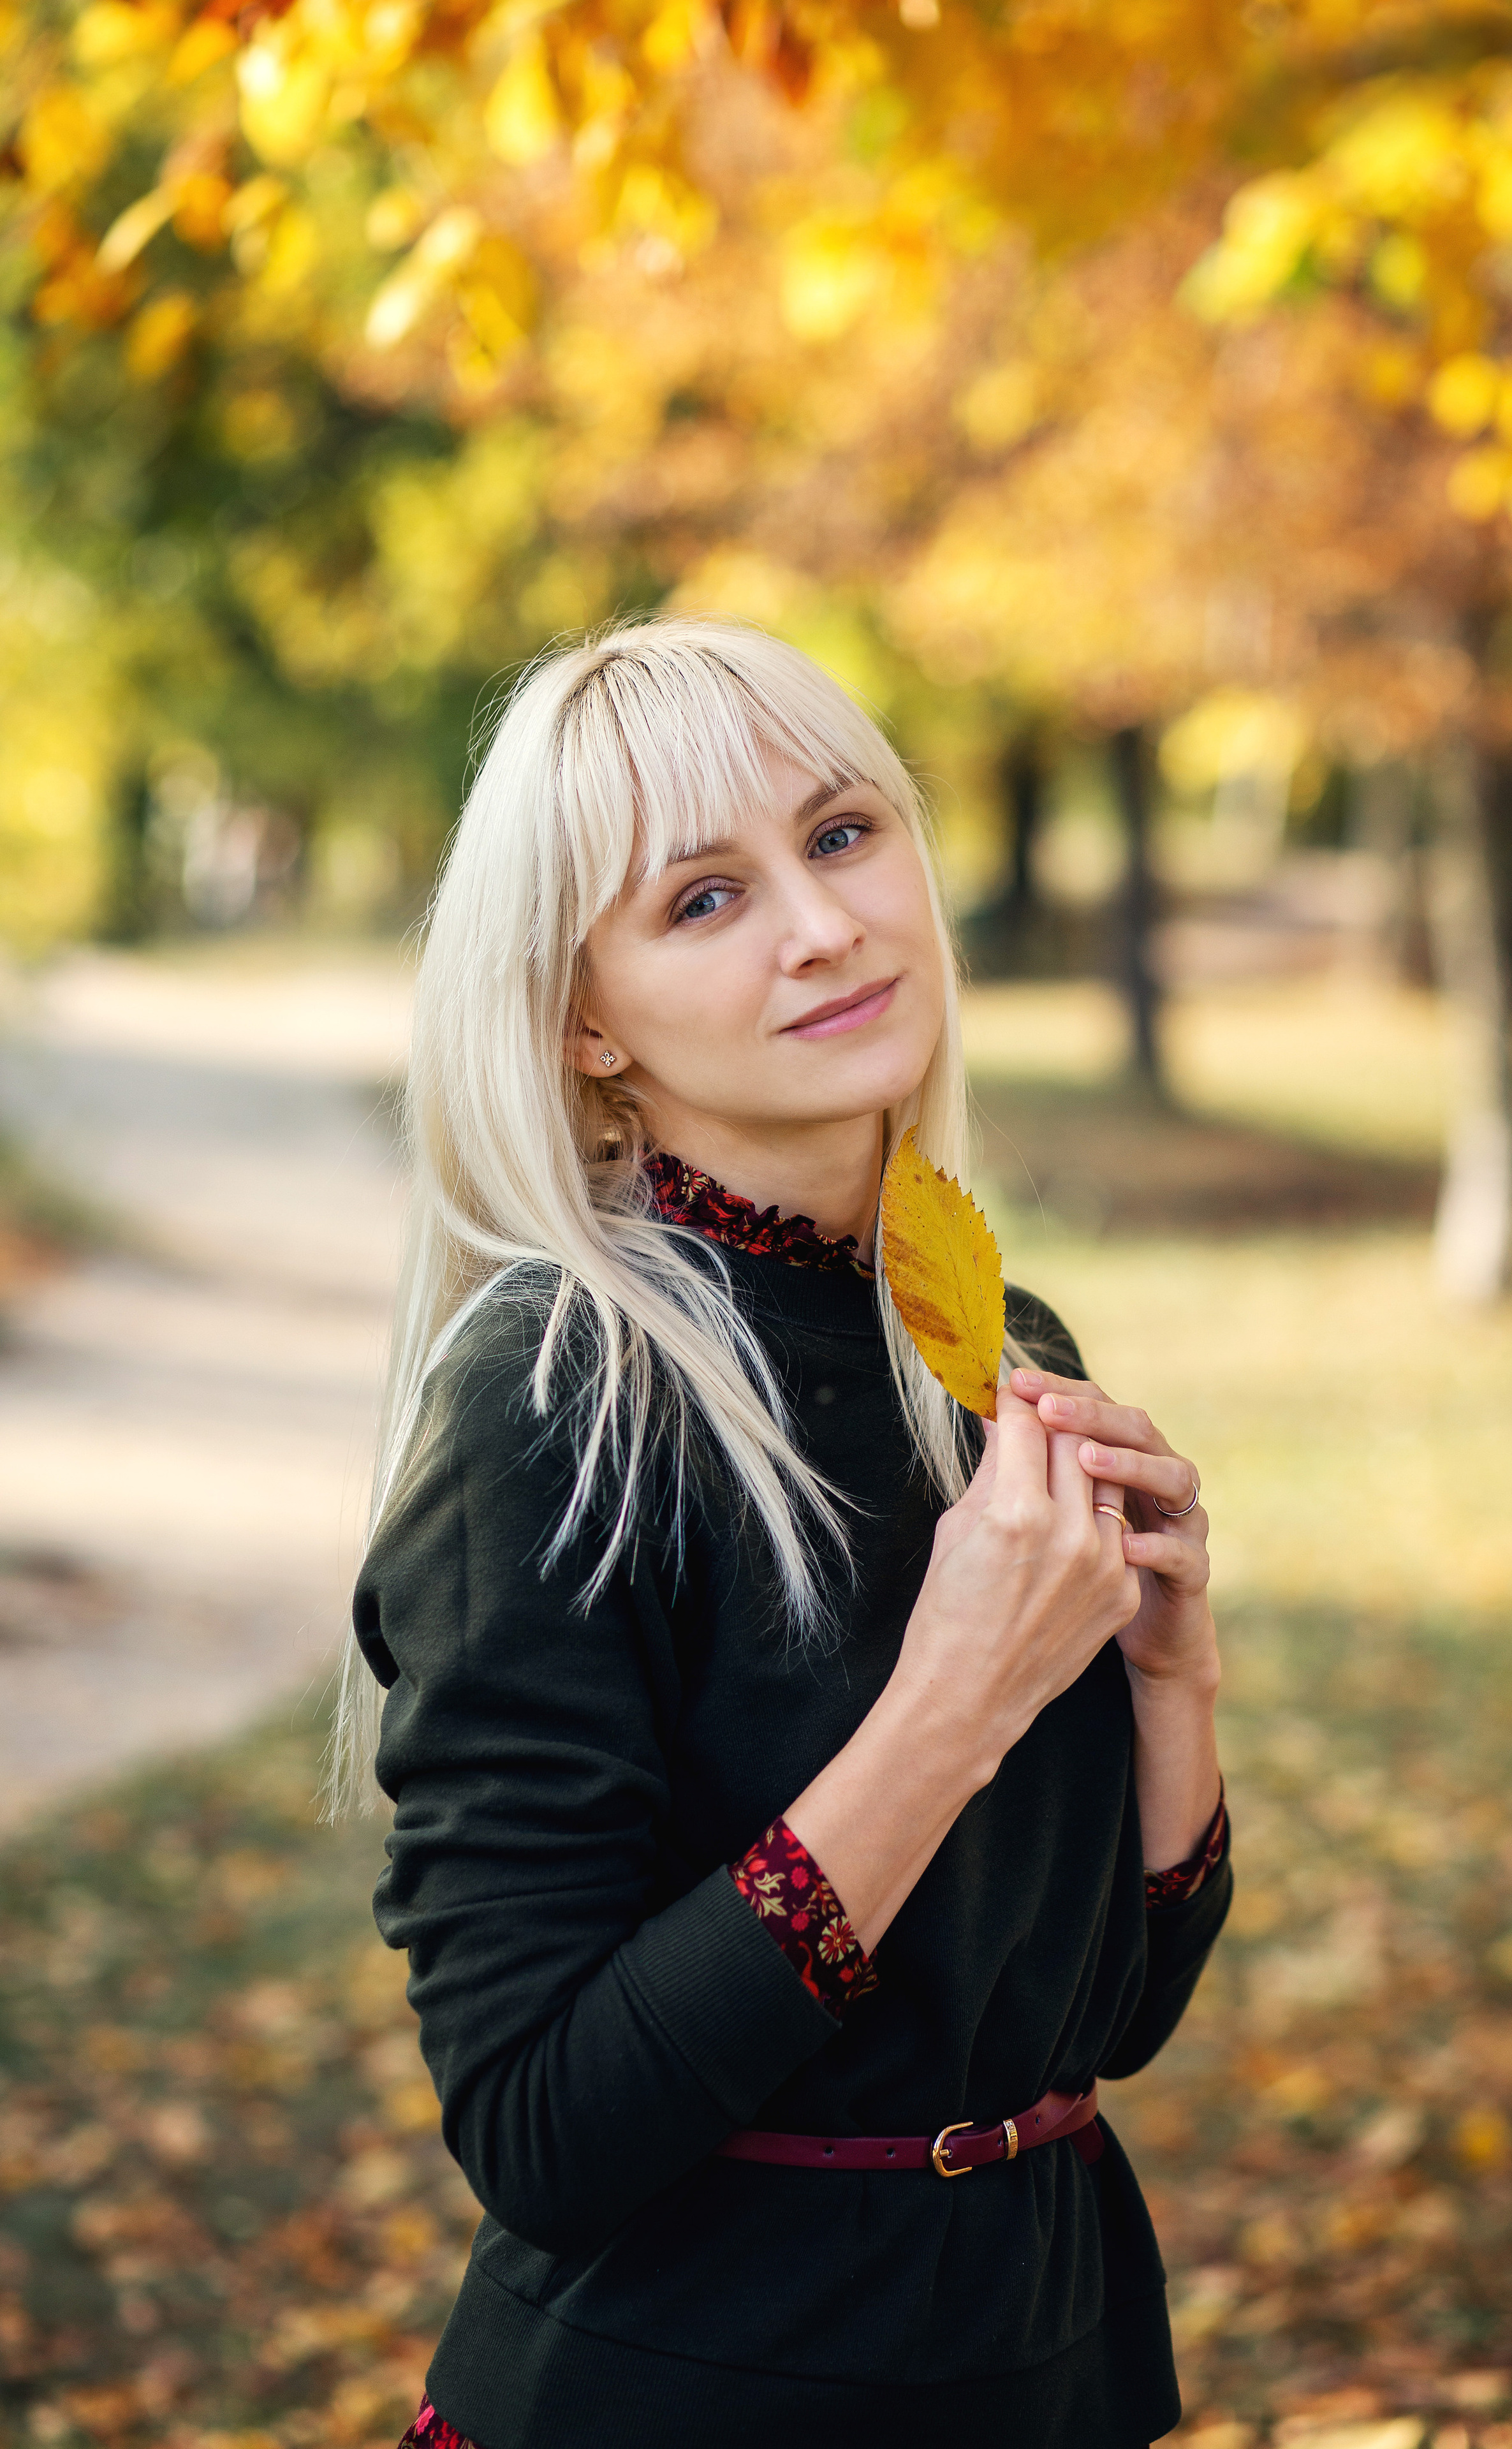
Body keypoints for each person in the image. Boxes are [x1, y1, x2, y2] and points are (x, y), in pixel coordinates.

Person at [336, 618, 1229, 2449]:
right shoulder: (556, 1399)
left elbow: (1103, 2021)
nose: (823, 927)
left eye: (839, 836)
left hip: (1048, 2365)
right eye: (702, 900)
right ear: (587, 1021)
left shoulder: (995, 1341)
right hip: (699, 2386)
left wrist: (1169, 1675)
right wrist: (954, 1700)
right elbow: (542, 2130)